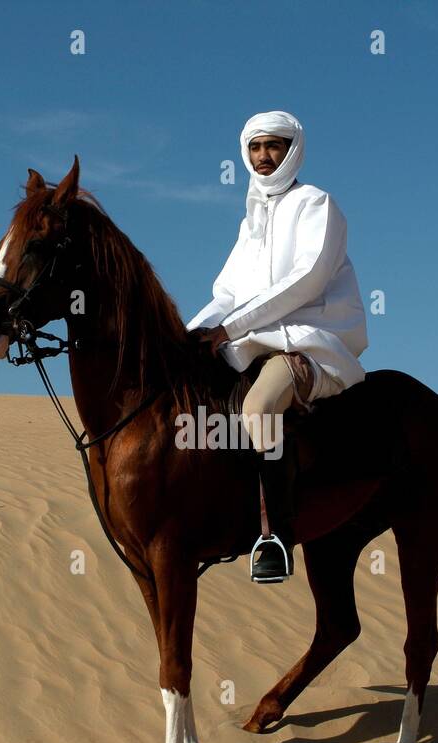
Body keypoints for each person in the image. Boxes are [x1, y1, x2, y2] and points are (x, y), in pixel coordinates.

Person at [187, 110, 368, 583]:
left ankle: (275, 536)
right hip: (249, 342)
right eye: (255, 147)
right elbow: (224, 296)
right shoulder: (250, 222)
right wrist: (186, 335)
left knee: (259, 407)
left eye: (275, 145)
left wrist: (229, 329)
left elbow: (306, 280)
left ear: (294, 150)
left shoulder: (315, 204)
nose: (264, 156)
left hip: (305, 342)